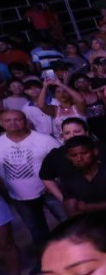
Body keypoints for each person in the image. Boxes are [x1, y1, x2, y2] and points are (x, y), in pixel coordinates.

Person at [0, 110, 62, 260]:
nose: (13, 123)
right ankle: (47, 261)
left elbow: (63, 162)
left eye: (17, 119)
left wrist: (56, 182)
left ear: (26, 121)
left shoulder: (45, 140)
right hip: (19, 196)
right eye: (8, 120)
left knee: (69, 223)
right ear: (1, 123)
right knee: (37, 231)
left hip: (50, 192)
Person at [57, 136, 106, 221]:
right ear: (68, 157)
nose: (79, 159)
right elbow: (72, 213)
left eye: (84, 153)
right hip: (92, 230)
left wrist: (87, 207)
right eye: (74, 155)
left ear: (95, 151)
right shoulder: (68, 181)